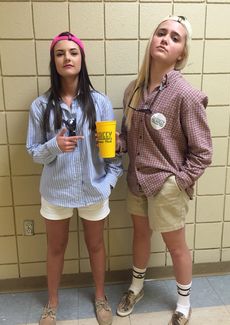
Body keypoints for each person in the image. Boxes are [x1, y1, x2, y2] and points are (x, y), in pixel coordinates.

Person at [116, 15, 212, 325]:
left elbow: (203, 151)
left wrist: (179, 182)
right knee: (140, 235)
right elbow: (130, 137)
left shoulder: (186, 95)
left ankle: (184, 303)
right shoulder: (134, 89)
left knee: (176, 245)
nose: (165, 39)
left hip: (166, 185)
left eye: (174, 37)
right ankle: (136, 287)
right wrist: (118, 142)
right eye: (161, 33)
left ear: (181, 53)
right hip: (136, 180)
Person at [26, 32, 122, 325]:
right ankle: (52, 303)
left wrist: (106, 184)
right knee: (55, 248)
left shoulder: (100, 102)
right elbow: (33, 152)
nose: (67, 58)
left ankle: (101, 296)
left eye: (73, 52)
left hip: (94, 190)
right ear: (53, 62)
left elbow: (113, 156)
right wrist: (54, 145)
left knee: (96, 246)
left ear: (82, 59)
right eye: (59, 53)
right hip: (56, 192)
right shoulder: (41, 107)